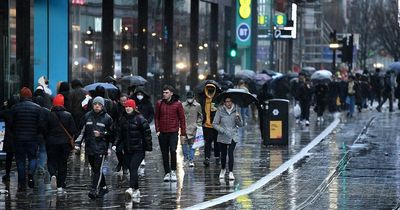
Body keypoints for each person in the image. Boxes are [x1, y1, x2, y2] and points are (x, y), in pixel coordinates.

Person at [114, 99, 152, 199]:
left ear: (134, 107)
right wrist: (115, 144)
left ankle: (131, 188)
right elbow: (119, 134)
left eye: (130, 106)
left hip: (139, 150)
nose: (128, 108)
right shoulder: (123, 120)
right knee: (131, 169)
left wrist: (147, 147)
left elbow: (147, 134)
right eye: (126, 106)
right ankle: (137, 190)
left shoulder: (140, 119)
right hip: (128, 150)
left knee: (133, 167)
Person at [78, 96, 113, 199]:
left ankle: (93, 189)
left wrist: (102, 134)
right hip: (89, 148)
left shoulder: (107, 118)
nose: (97, 106)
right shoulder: (87, 116)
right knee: (95, 169)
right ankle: (104, 187)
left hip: (101, 148)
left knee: (97, 169)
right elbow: (82, 130)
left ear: (102, 106)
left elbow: (111, 133)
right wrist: (78, 143)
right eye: (95, 104)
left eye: (99, 105)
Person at [10, 87, 44, 191]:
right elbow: (40, 124)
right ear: (30, 96)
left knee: (20, 161)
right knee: (32, 158)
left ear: (21, 96)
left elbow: (11, 124)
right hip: (32, 138)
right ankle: (30, 174)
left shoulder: (15, 107)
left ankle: (21, 185)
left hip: (18, 138)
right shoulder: (37, 108)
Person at [45, 94, 77, 194]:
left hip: (51, 142)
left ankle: (53, 174)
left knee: (51, 161)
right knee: (63, 163)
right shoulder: (68, 115)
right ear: (63, 104)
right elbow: (73, 130)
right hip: (64, 143)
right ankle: (59, 187)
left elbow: (44, 129)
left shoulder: (48, 115)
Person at [154, 85, 186, 182]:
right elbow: (156, 117)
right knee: (164, 153)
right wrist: (157, 130)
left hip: (173, 132)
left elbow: (182, 118)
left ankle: (173, 171)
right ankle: (167, 172)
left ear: (171, 93)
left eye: (166, 92)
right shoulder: (159, 103)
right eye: (163, 92)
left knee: (173, 151)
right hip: (162, 132)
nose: (164, 94)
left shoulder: (178, 104)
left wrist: (183, 133)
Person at [212, 97, 244, 180]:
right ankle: (223, 169)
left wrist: (238, 118)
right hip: (223, 135)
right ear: (224, 103)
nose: (228, 103)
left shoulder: (236, 110)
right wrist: (222, 130)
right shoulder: (220, 110)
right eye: (226, 102)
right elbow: (215, 124)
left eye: (230, 101)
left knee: (230, 153)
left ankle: (230, 172)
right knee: (223, 154)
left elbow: (240, 124)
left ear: (232, 102)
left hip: (233, 135)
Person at [133, 87, 154, 167]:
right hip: (134, 125)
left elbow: (151, 113)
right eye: (138, 94)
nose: (139, 96)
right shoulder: (134, 102)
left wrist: (148, 121)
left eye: (141, 94)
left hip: (144, 125)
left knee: (143, 142)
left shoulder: (147, 103)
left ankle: (142, 158)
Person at [0, 95, 19, 182]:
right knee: (20, 158)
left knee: (9, 158)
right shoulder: (19, 111)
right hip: (19, 137)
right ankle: (21, 176)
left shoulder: (7, 112)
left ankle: (7, 174)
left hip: (9, 138)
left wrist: (4, 106)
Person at [182, 91, 203, 167]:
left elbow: (200, 116)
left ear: (194, 97)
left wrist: (198, 124)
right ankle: (185, 158)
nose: (189, 99)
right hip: (184, 128)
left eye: (191, 98)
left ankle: (191, 160)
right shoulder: (183, 105)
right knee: (183, 144)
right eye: (188, 98)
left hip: (194, 128)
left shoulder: (197, 105)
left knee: (192, 145)